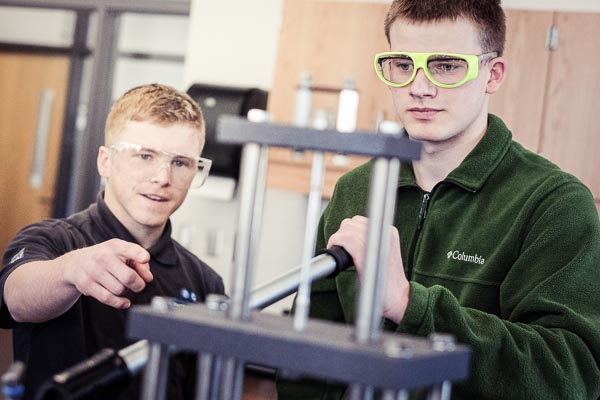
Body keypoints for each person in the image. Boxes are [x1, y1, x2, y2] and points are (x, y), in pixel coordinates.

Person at [278, 0, 600, 398]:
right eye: (402, 64)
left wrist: (408, 304)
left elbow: (569, 375)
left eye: (445, 66)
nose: (419, 87)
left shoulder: (553, 205)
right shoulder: (358, 190)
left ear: (493, 74)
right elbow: (308, 350)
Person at [0, 83, 225, 399]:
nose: (163, 177)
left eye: (180, 162)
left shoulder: (204, 282)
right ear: (105, 161)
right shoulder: (50, 240)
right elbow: (17, 299)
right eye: (145, 155)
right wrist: (71, 270)